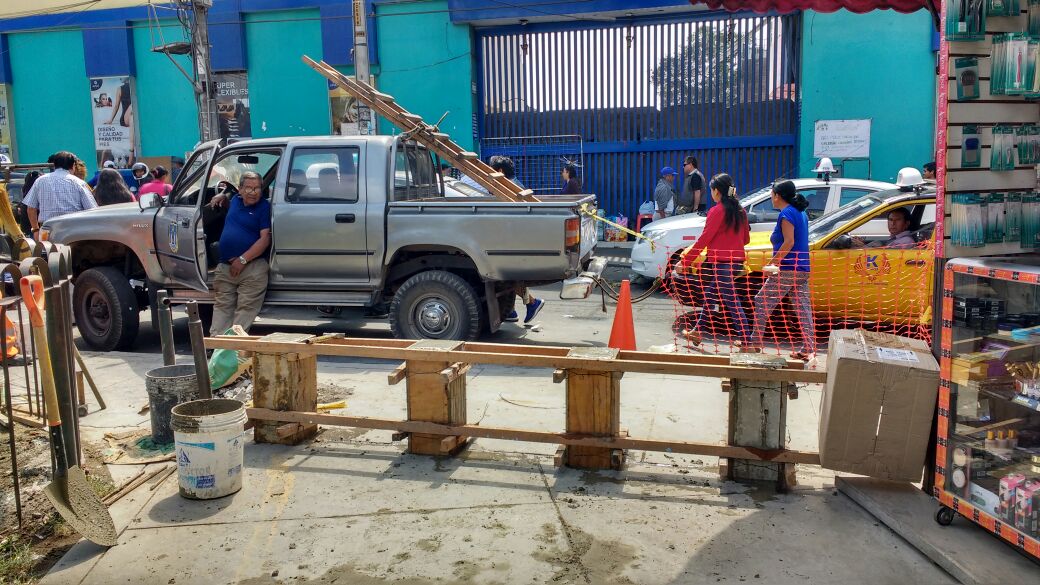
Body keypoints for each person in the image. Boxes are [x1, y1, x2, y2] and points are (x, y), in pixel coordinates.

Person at [676, 173, 751, 346]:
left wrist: (685, 262)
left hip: (721, 264)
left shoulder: (717, 211)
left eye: (711, 190)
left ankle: (748, 342)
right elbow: (746, 239)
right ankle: (697, 332)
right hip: (736, 263)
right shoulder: (741, 211)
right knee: (711, 294)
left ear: (716, 191)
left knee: (732, 302)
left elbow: (704, 239)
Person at [746, 180, 814, 360]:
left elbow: (789, 242)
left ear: (777, 196)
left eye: (771, 194)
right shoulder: (801, 212)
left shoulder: (786, 214)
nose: (771, 197)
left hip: (788, 269)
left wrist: (773, 263)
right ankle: (808, 348)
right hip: (802, 268)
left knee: (761, 300)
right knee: (802, 308)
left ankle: (755, 343)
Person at [207, 171, 271, 335]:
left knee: (245, 310)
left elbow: (265, 239)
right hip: (225, 267)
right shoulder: (235, 200)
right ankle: (217, 348)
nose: (253, 192)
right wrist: (221, 196)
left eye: (257, 188)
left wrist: (242, 260)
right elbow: (228, 196)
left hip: (252, 267)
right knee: (222, 307)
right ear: (240, 189)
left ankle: (233, 350)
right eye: (248, 188)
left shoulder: (264, 207)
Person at [23, 151, 97, 238]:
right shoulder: (79, 183)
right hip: (73, 231)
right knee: (72, 252)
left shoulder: (40, 181)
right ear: (73, 166)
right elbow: (93, 210)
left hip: (46, 232)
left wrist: (35, 230)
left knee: (46, 251)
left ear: (54, 165)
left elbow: (31, 208)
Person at [852, 207, 917, 249]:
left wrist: (863, 246)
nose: (893, 223)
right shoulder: (895, 238)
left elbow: (885, 257)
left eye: (897, 220)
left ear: (907, 223)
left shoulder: (906, 241)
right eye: (891, 220)